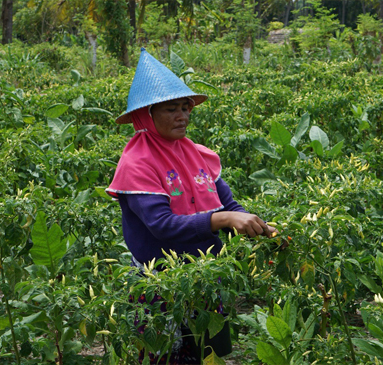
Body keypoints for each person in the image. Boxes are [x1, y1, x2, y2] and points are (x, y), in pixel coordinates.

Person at [106, 48, 276, 363]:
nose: (182, 116)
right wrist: (223, 219)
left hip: (206, 276)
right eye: (171, 109)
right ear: (146, 115)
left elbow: (227, 202)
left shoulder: (197, 154)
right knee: (166, 357)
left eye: (186, 108)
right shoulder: (136, 163)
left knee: (205, 354)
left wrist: (256, 224)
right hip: (163, 283)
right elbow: (162, 226)